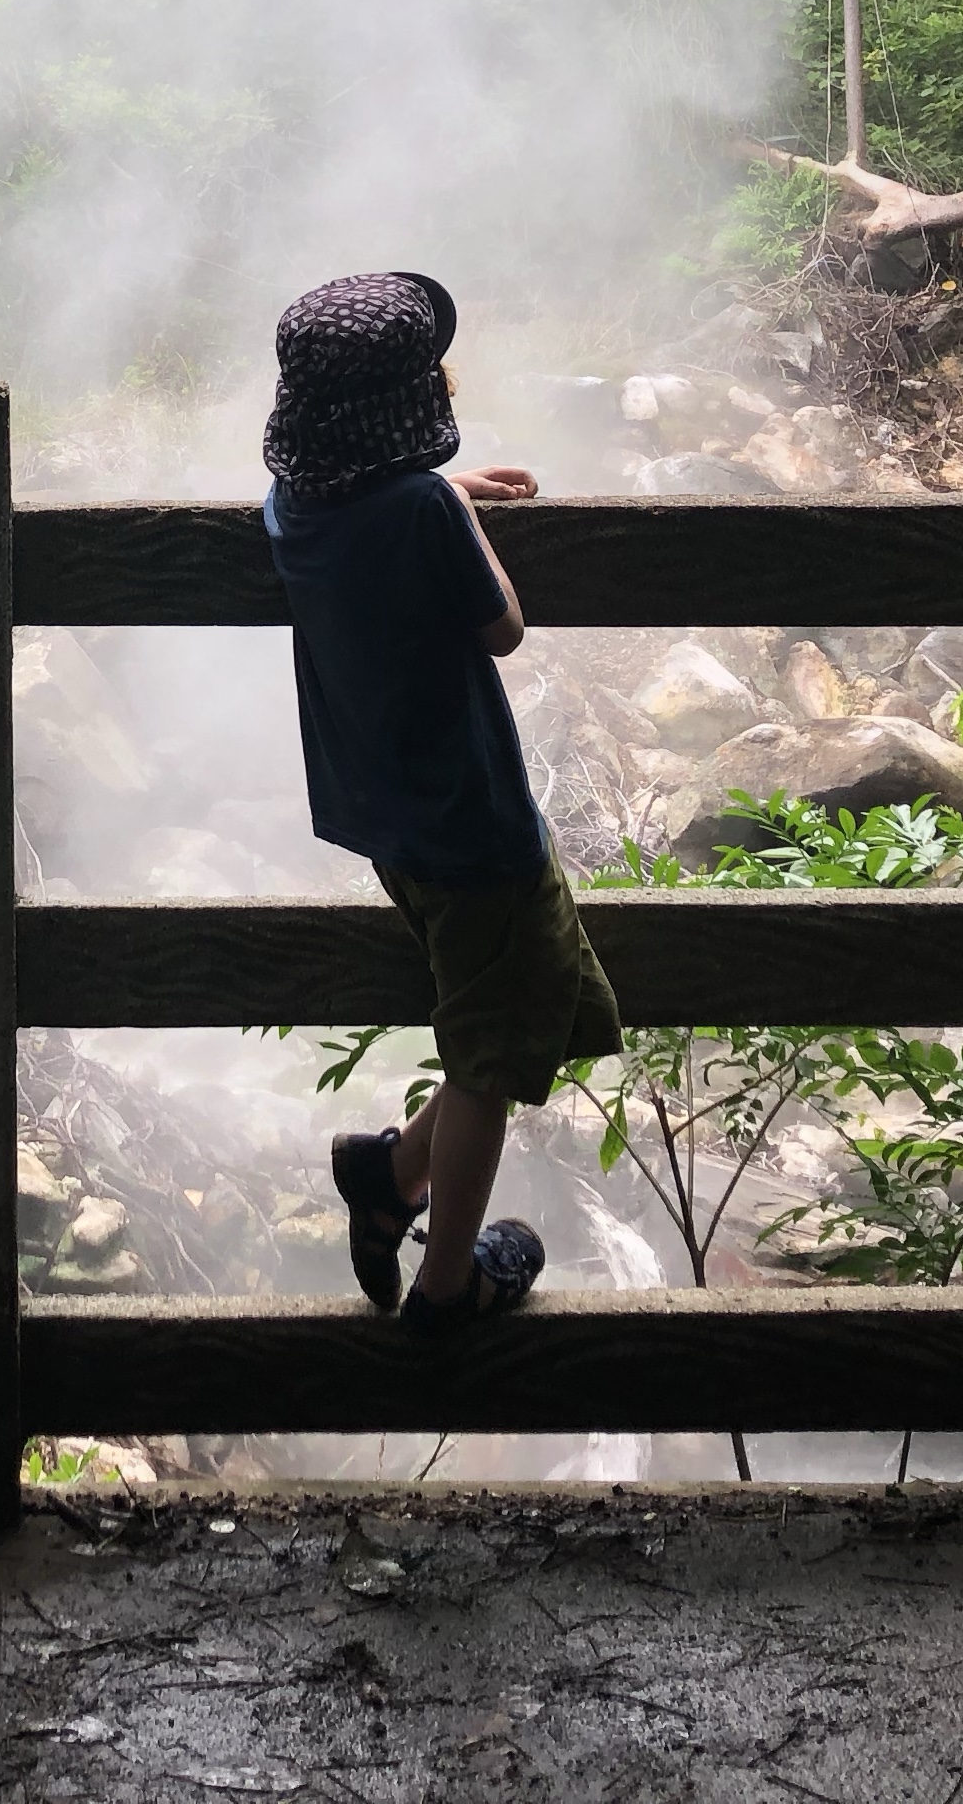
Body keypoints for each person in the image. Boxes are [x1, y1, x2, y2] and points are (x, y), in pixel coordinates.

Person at [262, 270, 623, 1330]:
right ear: (415, 401)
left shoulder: (294, 502)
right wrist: (457, 515)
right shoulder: (421, 509)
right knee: (486, 1058)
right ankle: (448, 1281)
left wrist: (445, 504)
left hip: (387, 818)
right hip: (474, 818)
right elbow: (501, 626)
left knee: (516, 1013)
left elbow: (367, 518)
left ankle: (388, 1179)